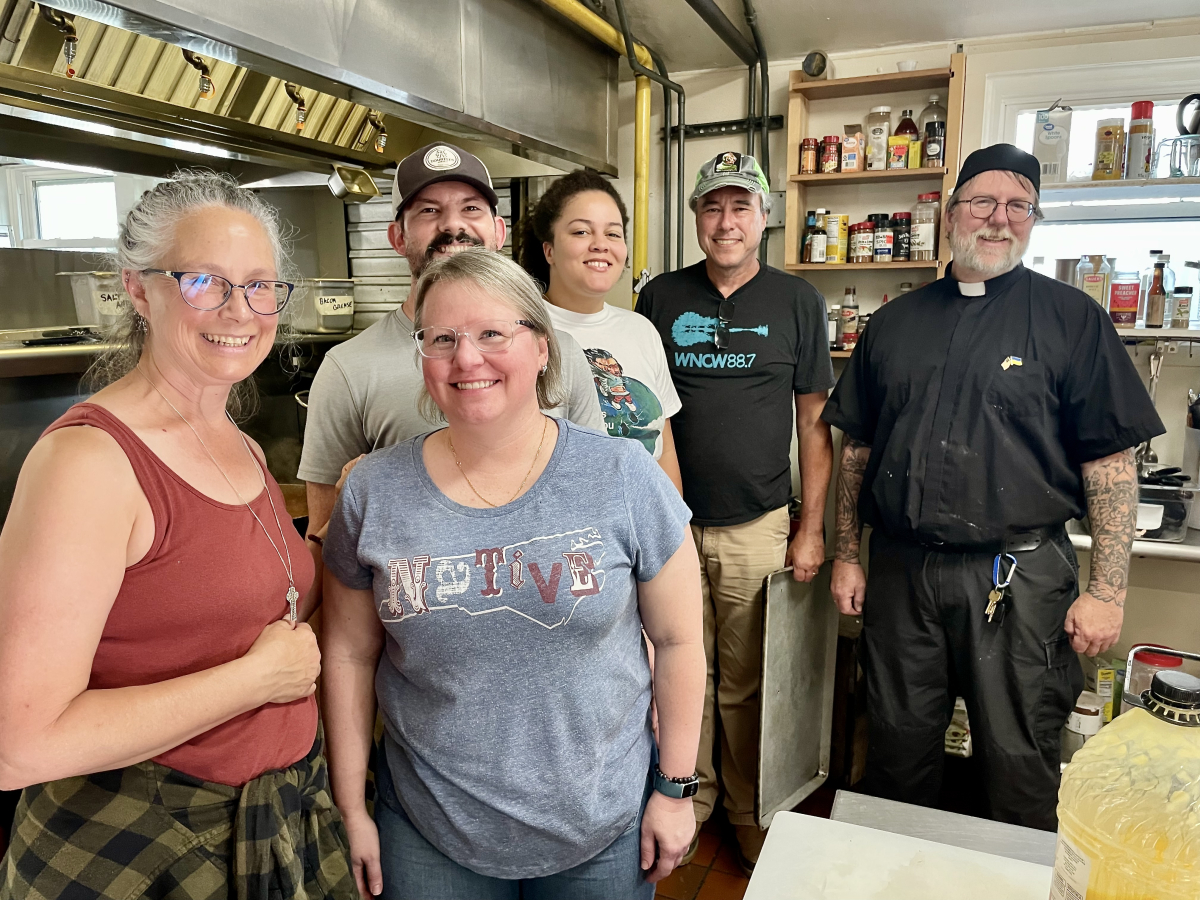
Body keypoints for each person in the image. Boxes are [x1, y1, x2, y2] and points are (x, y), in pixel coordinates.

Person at [0, 171, 354, 898]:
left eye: (260, 286)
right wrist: (254, 681)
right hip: (137, 847)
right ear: (137, 290)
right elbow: (21, 742)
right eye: (203, 281)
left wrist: (335, 531)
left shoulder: (239, 445)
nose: (240, 310)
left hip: (272, 824)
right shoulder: (89, 463)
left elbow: (245, 616)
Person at [320, 249, 705, 900]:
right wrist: (353, 806)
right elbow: (350, 654)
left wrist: (675, 789)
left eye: (493, 333)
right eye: (442, 338)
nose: (467, 358)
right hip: (429, 831)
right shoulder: (372, 492)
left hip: (600, 829)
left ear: (542, 348)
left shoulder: (622, 476)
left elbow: (678, 642)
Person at [822, 143, 1165, 830]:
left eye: (1019, 206)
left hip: (1020, 577)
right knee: (897, 750)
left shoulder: (1074, 321)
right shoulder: (892, 324)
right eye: (982, 201)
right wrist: (848, 552)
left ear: (1034, 221)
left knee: (1018, 758)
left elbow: (1110, 466)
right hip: (901, 573)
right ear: (952, 214)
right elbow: (856, 447)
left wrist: (1107, 590)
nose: (999, 219)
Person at [635, 151, 835, 872]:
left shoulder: (796, 301)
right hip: (668, 526)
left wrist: (811, 528)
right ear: (696, 218)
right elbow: (639, 410)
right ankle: (692, 801)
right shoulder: (659, 298)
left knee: (750, 680)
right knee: (682, 675)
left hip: (758, 524)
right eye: (713, 207)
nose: (727, 221)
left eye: (741, 207)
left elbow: (814, 421)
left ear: (764, 216)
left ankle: (753, 813)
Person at [299, 143, 603, 561]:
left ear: (498, 230)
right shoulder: (348, 369)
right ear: (397, 236)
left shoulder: (556, 349)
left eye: (471, 208)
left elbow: (596, 495)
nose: (453, 226)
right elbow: (323, 540)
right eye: (428, 211)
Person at [520, 170, 683, 490]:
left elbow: (664, 452)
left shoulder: (641, 330)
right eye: (581, 231)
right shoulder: (521, 331)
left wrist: (677, 533)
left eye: (613, 234)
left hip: (642, 529)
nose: (600, 245)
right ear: (549, 249)